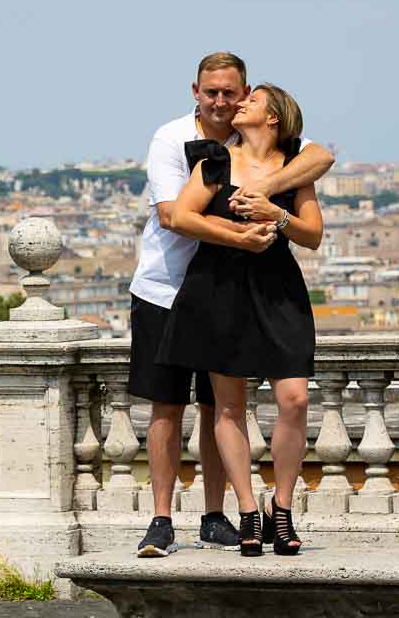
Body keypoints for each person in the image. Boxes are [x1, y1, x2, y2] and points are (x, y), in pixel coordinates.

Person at [129, 53, 333, 557]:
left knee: (248, 402)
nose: (225, 101)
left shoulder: (290, 154)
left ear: (253, 102)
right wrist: (243, 236)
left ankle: (230, 515)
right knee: (173, 405)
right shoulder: (181, 143)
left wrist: (267, 200)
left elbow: (322, 160)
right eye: (213, 92)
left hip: (260, 289)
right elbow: (174, 215)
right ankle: (167, 519)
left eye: (236, 94)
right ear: (195, 91)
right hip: (173, 284)